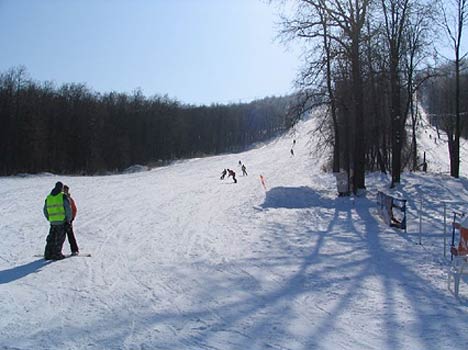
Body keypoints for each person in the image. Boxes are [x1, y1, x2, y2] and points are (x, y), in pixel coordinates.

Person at [43, 181, 72, 260]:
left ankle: (48, 253)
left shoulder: (49, 197)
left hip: (52, 221)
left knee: (51, 238)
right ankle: (57, 254)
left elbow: (45, 210)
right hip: (61, 221)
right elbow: (68, 209)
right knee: (59, 238)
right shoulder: (63, 196)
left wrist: (49, 218)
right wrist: (68, 220)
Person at [63, 185, 79, 256]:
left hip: (68, 220)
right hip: (61, 220)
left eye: (66, 190)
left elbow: (74, 209)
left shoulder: (69, 199)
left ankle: (74, 250)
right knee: (59, 236)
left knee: (70, 235)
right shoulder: (59, 198)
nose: (64, 192)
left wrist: (72, 218)